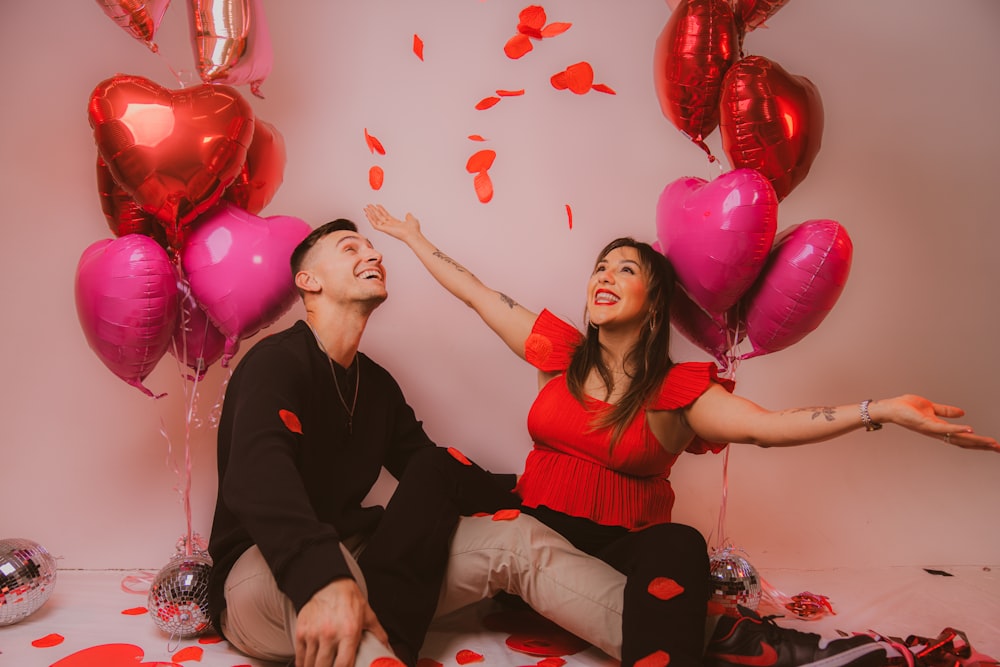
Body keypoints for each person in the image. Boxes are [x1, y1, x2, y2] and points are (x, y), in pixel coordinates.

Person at [364, 203, 1000, 667]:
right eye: (600, 267)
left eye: (625, 269)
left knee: (682, 543)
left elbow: (769, 430)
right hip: (534, 510)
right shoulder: (560, 353)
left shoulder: (679, 393)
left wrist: (881, 409)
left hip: (612, 547)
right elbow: (478, 294)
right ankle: (384, 635)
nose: (604, 277)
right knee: (436, 465)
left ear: (655, 299)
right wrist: (416, 238)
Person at [206, 218, 631, 667]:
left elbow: (430, 469)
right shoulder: (274, 363)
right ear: (308, 282)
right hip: (262, 572)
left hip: (355, 555)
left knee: (516, 538)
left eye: (372, 248)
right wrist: (322, 579)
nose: (374, 255)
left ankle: (667, 630)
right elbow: (258, 477)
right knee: (343, 583)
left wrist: (534, 489)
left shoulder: (376, 385)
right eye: (351, 249)